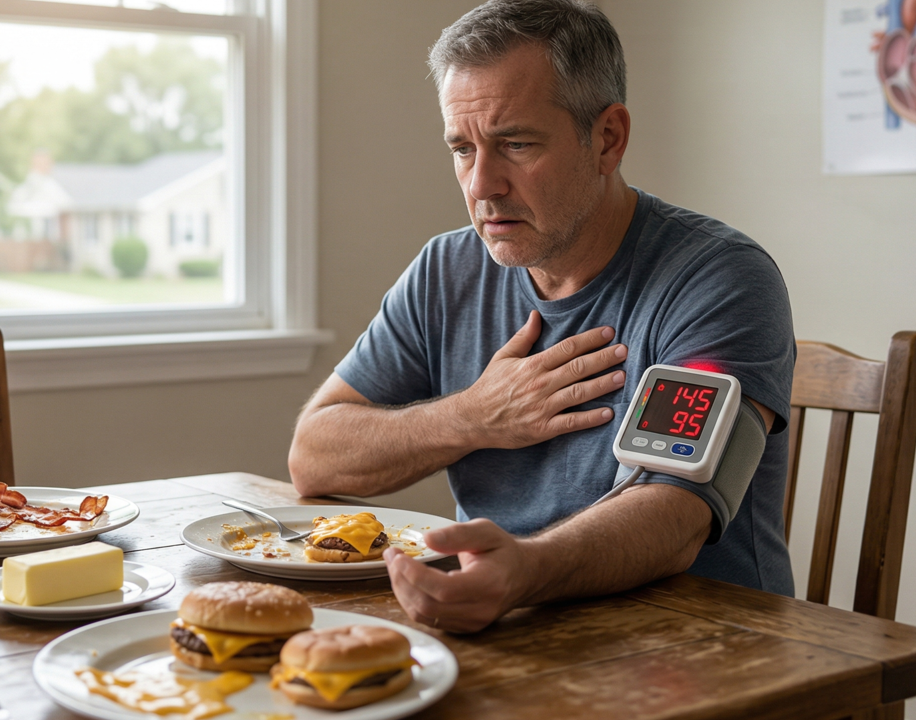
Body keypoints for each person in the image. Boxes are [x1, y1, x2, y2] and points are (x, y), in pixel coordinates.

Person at [287, 0, 796, 634]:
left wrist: (527, 569)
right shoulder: (447, 269)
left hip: (706, 649)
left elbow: (675, 513)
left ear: (607, 138)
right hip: (518, 627)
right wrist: (470, 417)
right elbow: (315, 455)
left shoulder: (717, 279)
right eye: (462, 148)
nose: (482, 184)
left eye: (516, 144)